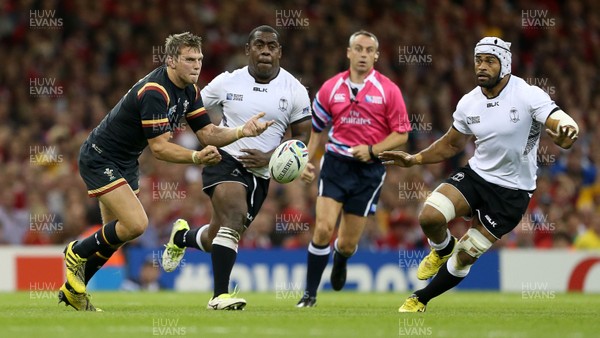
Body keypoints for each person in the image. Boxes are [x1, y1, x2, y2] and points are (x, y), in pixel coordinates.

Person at [59, 32, 272, 311]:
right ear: (171, 61)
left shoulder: (190, 91)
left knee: (118, 233)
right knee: (136, 224)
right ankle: (76, 251)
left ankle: (75, 291)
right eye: (189, 59)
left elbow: (207, 132)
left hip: (126, 161)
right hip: (101, 157)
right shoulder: (155, 92)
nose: (196, 65)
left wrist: (241, 131)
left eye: (199, 59)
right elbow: (160, 149)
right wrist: (196, 157)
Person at [380, 37, 579, 312]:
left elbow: (560, 122)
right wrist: (415, 159)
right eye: (478, 60)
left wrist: (568, 131)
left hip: (513, 191)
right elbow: (451, 143)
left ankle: (421, 299)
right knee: (430, 216)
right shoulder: (469, 102)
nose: (481, 66)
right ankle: (440, 248)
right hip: (477, 175)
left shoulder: (527, 94)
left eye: (489, 61)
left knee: (466, 255)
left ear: (505, 65)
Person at [160, 25, 312, 310]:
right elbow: (193, 107)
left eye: (272, 45)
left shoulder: (295, 89)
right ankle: (219, 295)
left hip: (262, 173)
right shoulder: (227, 82)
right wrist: (203, 137)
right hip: (224, 159)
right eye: (259, 45)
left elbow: (303, 136)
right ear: (248, 50)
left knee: (219, 233)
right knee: (234, 216)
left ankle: (181, 236)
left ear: (279, 51)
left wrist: (269, 158)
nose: (265, 50)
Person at [296, 30, 411, 308]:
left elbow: (402, 134)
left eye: (368, 50)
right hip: (335, 164)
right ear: (348, 52)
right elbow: (316, 132)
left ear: (376, 56)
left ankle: (342, 258)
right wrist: (305, 162)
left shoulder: (389, 90)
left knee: (346, 243)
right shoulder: (330, 88)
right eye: (358, 48)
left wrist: (372, 150)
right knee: (322, 229)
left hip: (369, 171)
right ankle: (309, 295)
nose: (362, 54)